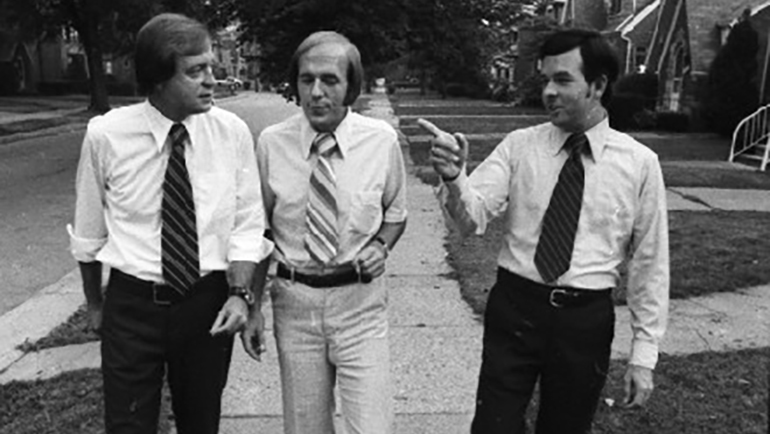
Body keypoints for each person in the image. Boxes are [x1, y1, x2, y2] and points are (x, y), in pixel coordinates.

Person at [419, 28, 669, 434]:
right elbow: (470, 220)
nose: (549, 91)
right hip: (516, 308)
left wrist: (644, 354)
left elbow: (650, 262)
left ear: (599, 85)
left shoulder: (639, 164)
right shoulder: (520, 147)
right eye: (546, 80)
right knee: (492, 427)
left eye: (563, 80)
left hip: (584, 321)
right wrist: (454, 178)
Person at [67, 13, 273, 434]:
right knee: (127, 425)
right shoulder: (106, 136)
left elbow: (249, 225)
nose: (212, 80)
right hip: (132, 307)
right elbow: (88, 231)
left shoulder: (230, 133)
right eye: (196, 71)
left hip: (206, 305)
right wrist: (94, 305)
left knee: (201, 424)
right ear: (158, 79)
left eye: (211, 67)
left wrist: (241, 297)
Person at [242, 31, 408, 434]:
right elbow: (259, 232)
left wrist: (381, 246)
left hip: (360, 304)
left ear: (352, 86)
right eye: (306, 79)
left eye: (330, 80)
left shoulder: (380, 142)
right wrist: (253, 308)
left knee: (371, 427)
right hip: (294, 304)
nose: (316, 92)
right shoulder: (271, 144)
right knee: (305, 428)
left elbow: (396, 214)